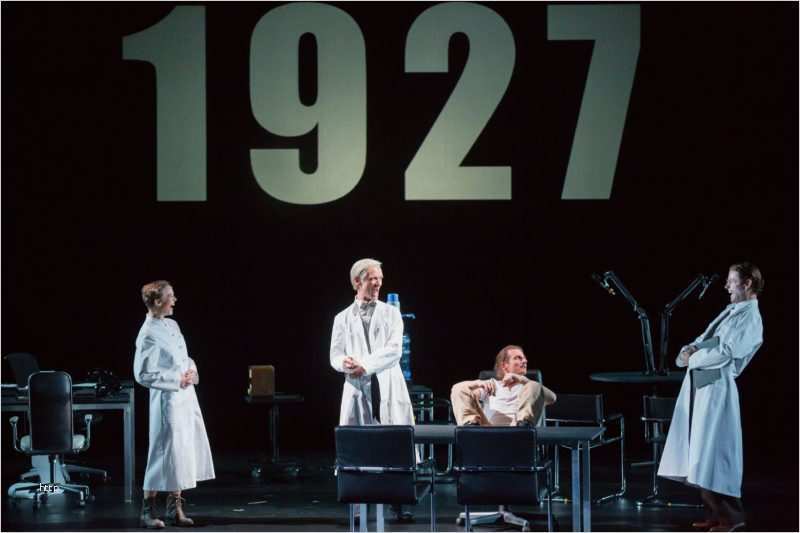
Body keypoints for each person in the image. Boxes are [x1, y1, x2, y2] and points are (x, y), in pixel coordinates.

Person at [658, 263, 764, 532]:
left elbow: (727, 351)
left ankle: (732, 519)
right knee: (700, 455)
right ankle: (715, 515)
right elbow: (711, 340)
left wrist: (694, 358)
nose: (727, 286)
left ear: (747, 283)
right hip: (703, 386)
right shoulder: (732, 311)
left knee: (714, 455)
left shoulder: (750, 317)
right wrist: (689, 349)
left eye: (731, 281)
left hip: (718, 390)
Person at [330, 258, 415, 521]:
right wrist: (345, 363)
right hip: (357, 387)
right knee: (358, 445)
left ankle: (398, 501)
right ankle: (357, 505)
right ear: (357, 281)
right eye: (372, 278)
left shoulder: (391, 313)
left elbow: (394, 350)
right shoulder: (342, 318)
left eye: (380, 278)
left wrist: (364, 365)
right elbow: (334, 354)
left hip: (387, 382)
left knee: (393, 442)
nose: (378, 283)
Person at [134, 281, 215, 529]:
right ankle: (147, 510)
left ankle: (175, 508)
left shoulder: (172, 325)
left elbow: (183, 357)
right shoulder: (148, 333)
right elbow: (142, 374)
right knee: (161, 454)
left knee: (181, 452)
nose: (175, 300)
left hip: (185, 397)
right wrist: (176, 379)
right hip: (167, 400)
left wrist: (191, 370)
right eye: (171, 296)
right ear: (158, 301)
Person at [451, 345, 557, 427]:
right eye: (518, 358)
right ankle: (470, 427)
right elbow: (463, 393)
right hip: (488, 431)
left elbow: (552, 398)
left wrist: (521, 379)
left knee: (533, 385)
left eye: (524, 358)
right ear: (504, 365)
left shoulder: (529, 387)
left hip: (518, 430)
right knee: (458, 388)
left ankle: (524, 425)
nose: (525, 361)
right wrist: (478, 382)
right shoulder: (492, 384)